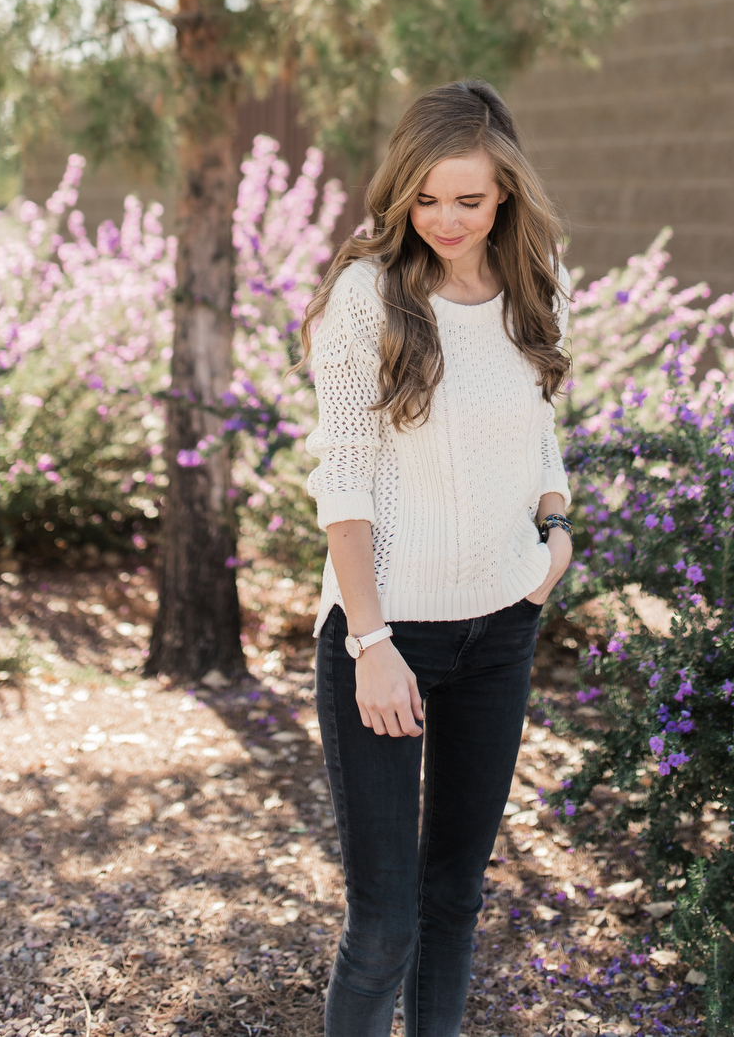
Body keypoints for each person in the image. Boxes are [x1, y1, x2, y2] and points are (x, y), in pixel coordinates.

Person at [300, 79, 574, 1037]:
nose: (446, 219)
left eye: (469, 198)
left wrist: (555, 522)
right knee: (383, 927)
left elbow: (539, 433)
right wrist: (370, 638)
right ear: (400, 190)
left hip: (500, 631)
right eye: (426, 198)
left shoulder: (540, 286)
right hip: (386, 634)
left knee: (454, 902)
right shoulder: (364, 298)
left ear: (505, 192)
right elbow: (345, 480)